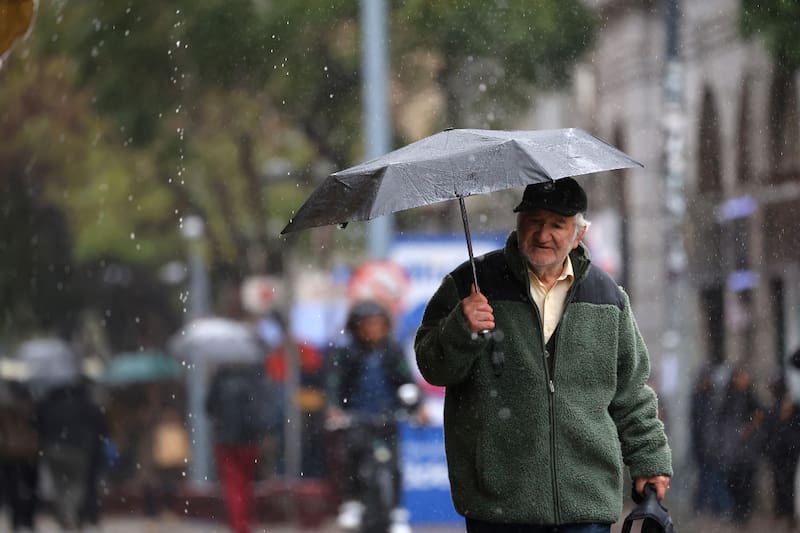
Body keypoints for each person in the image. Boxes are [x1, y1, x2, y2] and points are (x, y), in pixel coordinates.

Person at [414, 178, 672, 532]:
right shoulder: (470, 284)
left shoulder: (607, 296)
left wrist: (650, 460)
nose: (542, 234)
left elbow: (631, 393)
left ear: (578, 234)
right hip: (499, 506)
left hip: (586, 503)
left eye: (557, 225)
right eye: (534, 221)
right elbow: (432, 366)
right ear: (519, 222)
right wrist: (462, 327)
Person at [326, 299, 425, 533]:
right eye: (368, 324)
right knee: (352, 456)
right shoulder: (346, 352)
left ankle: (397, 511)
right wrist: (335, 408)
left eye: (378, 324)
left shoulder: (392, 351)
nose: (373, 330)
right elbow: (334, 383)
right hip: (357, 416)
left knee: (393, 466)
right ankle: (352, 501)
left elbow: (407, 381)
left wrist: (417, 407)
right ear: (356, 327)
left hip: (387, 416)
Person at [205, 360, 277, 533]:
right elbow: (262, 408)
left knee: (233, 484)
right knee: (246, 483)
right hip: (249, 439)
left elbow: (208, 407)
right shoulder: (254, 377)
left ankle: (238, 524)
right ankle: (245, 522)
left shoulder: (220, 378)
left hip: (226, 439)